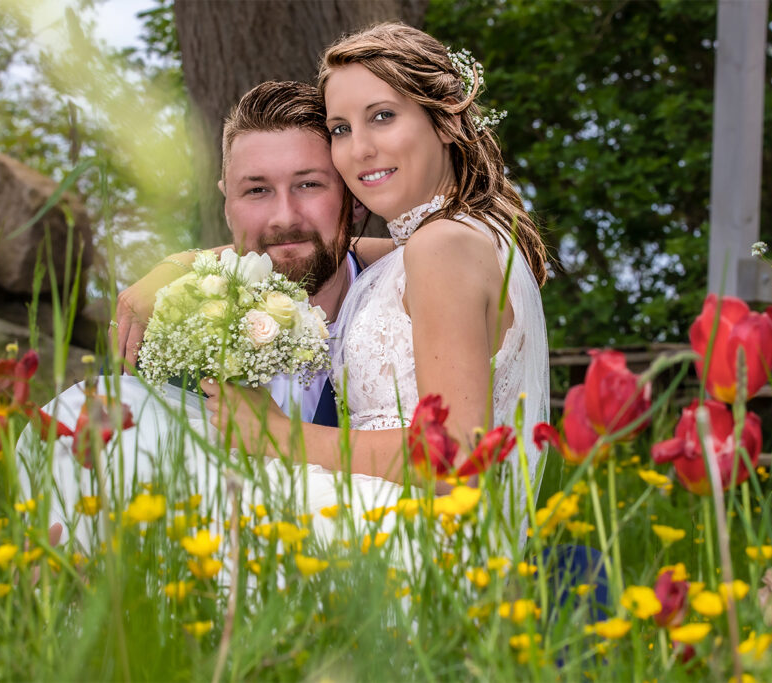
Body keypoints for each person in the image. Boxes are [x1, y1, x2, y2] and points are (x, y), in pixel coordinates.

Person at [202, 22, 551, 544]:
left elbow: (452, 450)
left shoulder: (441, 247)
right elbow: (320, 248)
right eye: (341, 129)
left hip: (417, 535)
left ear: (445, 121)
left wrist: (278, 435)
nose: (359, 148)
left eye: (382, 117)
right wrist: (185, 265)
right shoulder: (452, 240)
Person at [19, 80, 393, 550]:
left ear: (354, 199)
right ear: (226, 202)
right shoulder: (178, 314)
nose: (283, 216)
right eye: (256, 190)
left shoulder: (410, 304)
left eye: (309, 185)